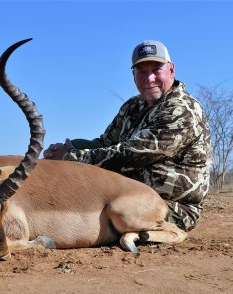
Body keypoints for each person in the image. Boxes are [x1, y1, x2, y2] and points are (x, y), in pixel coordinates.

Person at [43, 40, 213, 232]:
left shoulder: (182, 110)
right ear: (133, 75)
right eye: (142, 72)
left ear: (171, 70)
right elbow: (105, 143)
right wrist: (69, 147)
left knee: (92, 226)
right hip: (124, 196)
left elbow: (131, 155)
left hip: (169, 208)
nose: (149, 79)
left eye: (157, 70)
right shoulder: (132, 106)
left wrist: (68, 158)